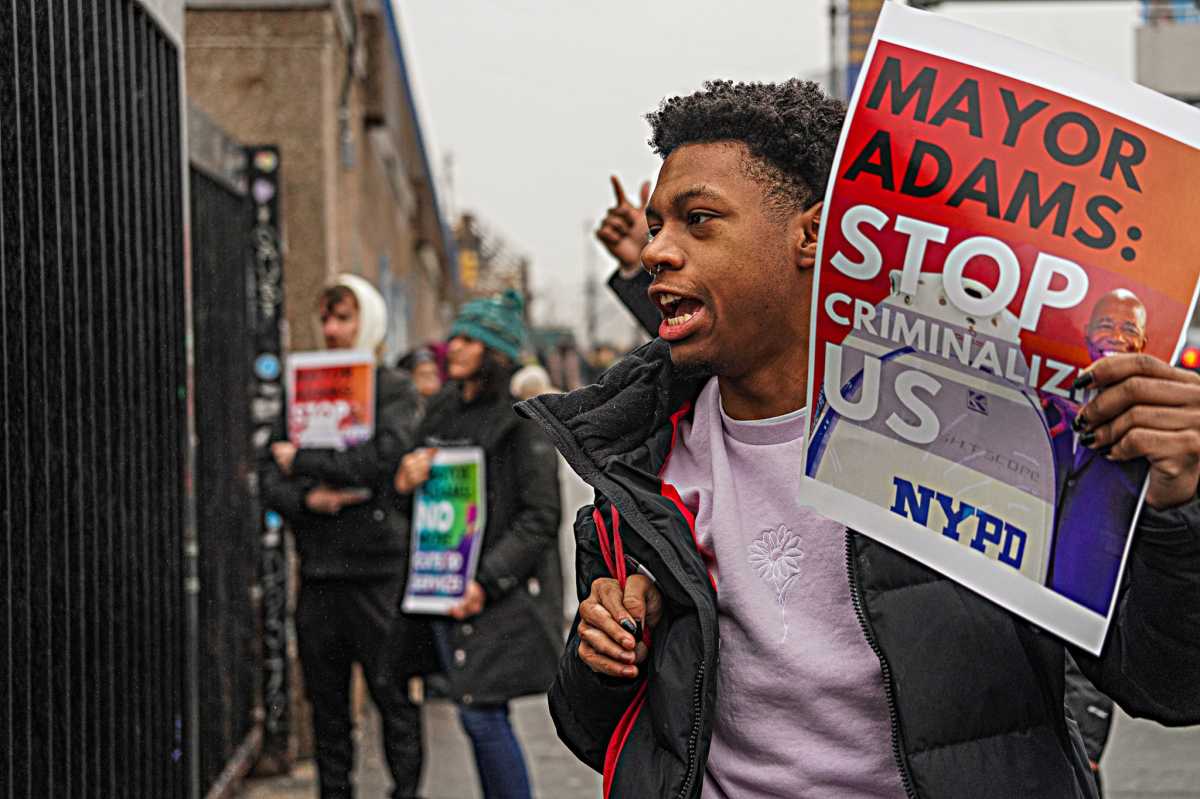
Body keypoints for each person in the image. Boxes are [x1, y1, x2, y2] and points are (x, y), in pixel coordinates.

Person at [515, 80, 1200, 798]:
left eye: (698, 220)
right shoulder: (634, 456)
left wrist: (1174, 513)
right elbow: (598, 731)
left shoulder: (986, 427)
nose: (657, 249)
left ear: (812, 235)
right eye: (657, 225)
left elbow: (1171, 682)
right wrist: (602, 659)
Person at [261, 275, 433, 799]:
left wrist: (307, 463)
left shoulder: (393, 390)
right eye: (327, 318)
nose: (333, 330)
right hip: (319, 572)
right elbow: (268, 474)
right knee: (327, 707)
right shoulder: (303, 390)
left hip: (378, 573)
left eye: (345, 317)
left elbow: (382, 456)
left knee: (393, 698)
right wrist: (308, 499)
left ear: (369, 323)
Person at [395, 290, 563, 799]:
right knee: (476, 713)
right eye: (456, 335)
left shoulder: (521, 416)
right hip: (445, 580)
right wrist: (405, 480)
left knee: (482, 713)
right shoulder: (443, 406)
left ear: (495, 351)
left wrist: (486, 582)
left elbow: (540, 517)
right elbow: (417, 503)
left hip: (499, 590)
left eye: (470, 339)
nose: (455, 346)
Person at [1046, 289, 1153, 614]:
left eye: (1130, 329)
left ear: (1143, 344)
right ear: (1087, 335)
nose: (1117, 337)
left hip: (1091, 600)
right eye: (1106, 325)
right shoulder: (1049, 401)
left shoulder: (1154, 425)